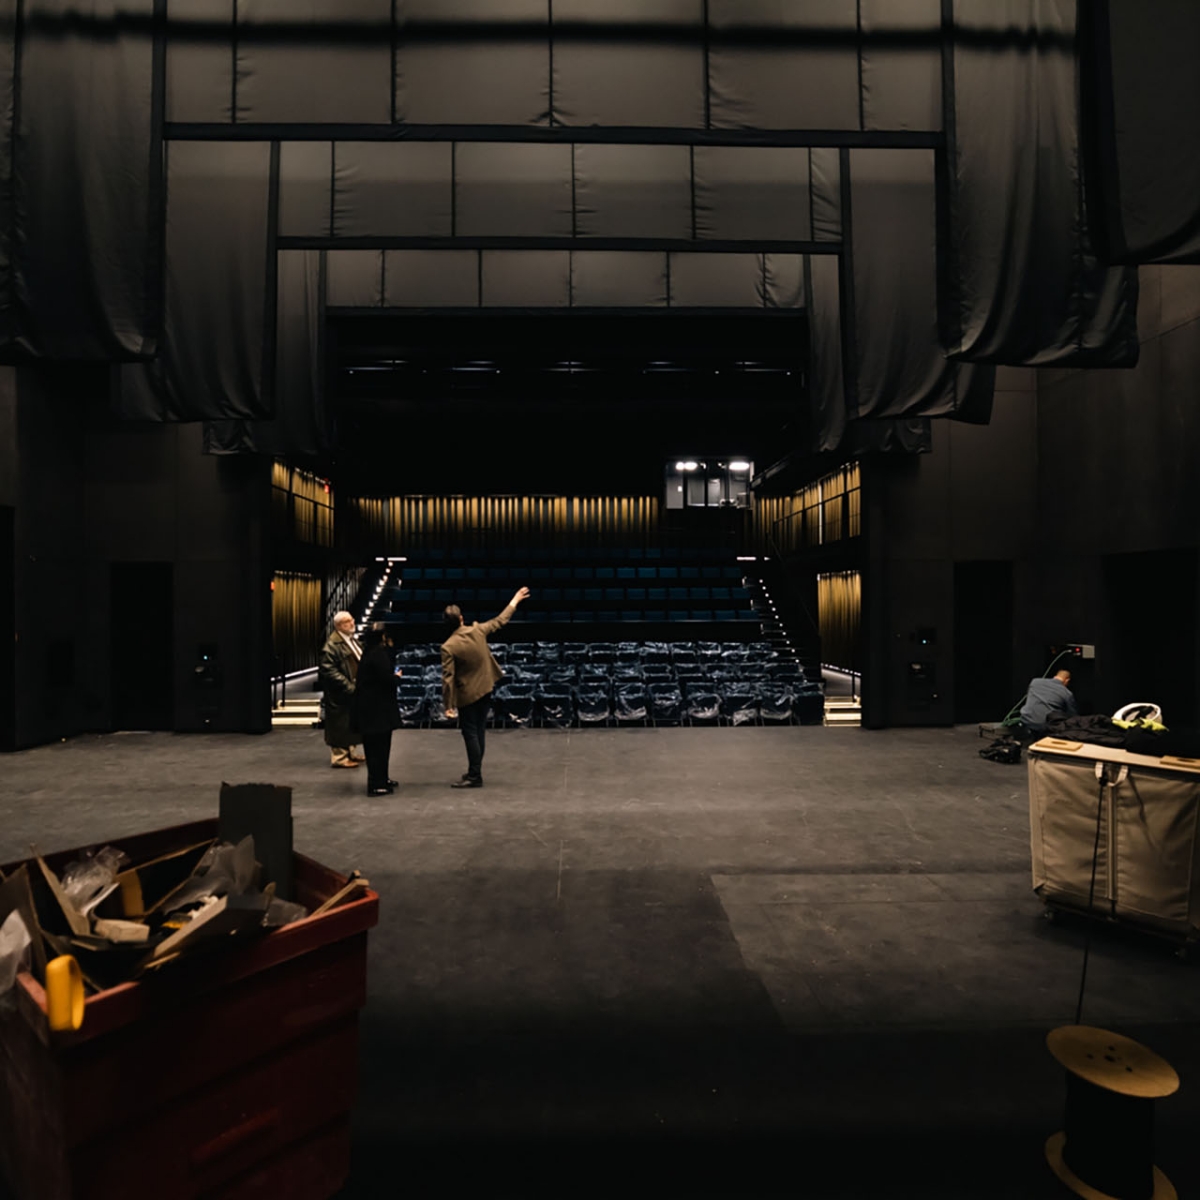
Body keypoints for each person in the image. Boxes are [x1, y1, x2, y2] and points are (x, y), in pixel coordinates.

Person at [441, 586, 530, 787]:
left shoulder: (448, 647)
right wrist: (515, 600)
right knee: (479, 730)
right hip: (486, 688)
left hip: (467, 695)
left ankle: (474, 775)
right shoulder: (478, 630)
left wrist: (448, 705)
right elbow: (501, 620)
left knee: (470, 733)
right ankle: (475, 771)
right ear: (461, 618)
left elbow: (448, 678)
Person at [352, 622, 403, 797]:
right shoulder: (378, 654)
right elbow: (386, 679)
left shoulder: (369, 652)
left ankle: (382, 779)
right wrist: (397, 677)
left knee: (378, 747)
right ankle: (376, 784)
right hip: (376, 710)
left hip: (372, 709)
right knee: (377, 749)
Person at [319, 611, 363, 768]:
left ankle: (350, 752)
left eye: (352, 620)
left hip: (351, 690)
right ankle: (339, 758)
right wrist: (348, 685)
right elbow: (329, 670)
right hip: (340, 693)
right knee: (340, 724)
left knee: (350, 723)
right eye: (346, 622)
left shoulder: (351, 640)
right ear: (338, 626)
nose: (351, 623)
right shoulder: (332, 645)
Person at [1019, 667, 1078, 736]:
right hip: (1046, 727)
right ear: (1067, 680)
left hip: (1026, 721)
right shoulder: (1067, 693)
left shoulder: (1035, 682)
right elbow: (1072, 716)